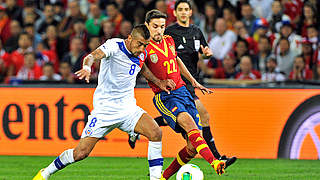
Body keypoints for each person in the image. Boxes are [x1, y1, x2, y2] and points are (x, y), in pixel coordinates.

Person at [32, 24, 176, 180]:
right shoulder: (114, 45)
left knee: (156, 133)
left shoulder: (141, 52)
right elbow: (91, 56)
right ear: (130, 38)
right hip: (105, 112)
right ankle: (44, 173)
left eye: (145, 45)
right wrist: (87, 67)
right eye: (139, 44)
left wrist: (158, 81)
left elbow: (142, 68)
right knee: (80, 153)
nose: (142, 48)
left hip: (128, 109)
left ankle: (155, 178)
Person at [143, 9, 225, 180]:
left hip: (183, 92)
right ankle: (214, 162)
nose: (159, 30)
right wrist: (159, 82)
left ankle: (163, 177)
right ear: (147, 26)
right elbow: (142, 68)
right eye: (155, 26)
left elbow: (176, 60)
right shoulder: (143, 47)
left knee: (192, 146)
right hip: (165, 96)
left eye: (162, 26)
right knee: (190, 125)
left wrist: (193, 82)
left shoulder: (169, 40)